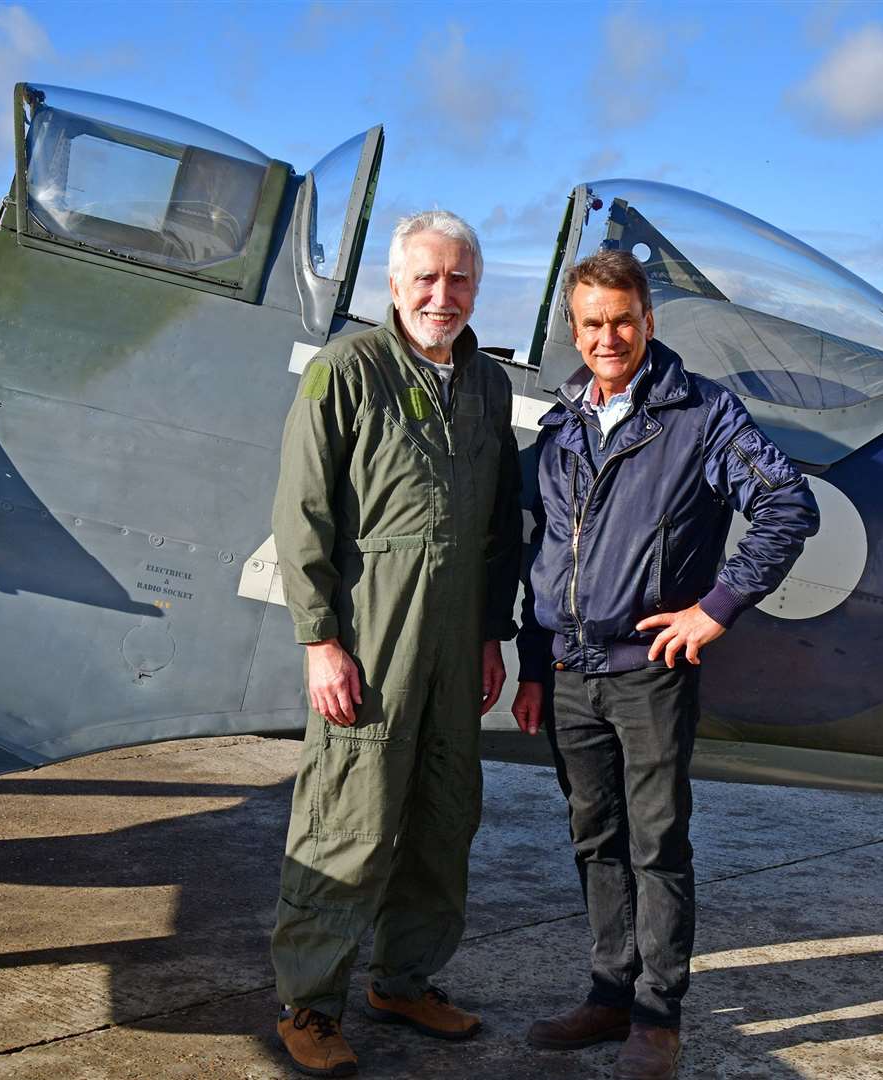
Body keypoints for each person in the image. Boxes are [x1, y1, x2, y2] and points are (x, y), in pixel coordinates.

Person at [512, 249, 818, 1080]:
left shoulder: (704, 414)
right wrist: (534, 665)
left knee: (656, 841)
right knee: (594, 837)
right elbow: (544, 553)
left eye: (622, 320)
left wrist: (714, 608)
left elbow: (788, 506)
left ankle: (658, 1015)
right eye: (591, 324)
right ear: (573, 332)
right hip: (570, 673)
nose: (607, 337)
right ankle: (608, 995)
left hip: (648, 671)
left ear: (648, 322)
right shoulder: (562, 424)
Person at [269, 210, 520, 1077]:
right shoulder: (347, 371)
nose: (441, 296)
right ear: (395, 284)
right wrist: (320, 640)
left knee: (443, 815)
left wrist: (492, 632)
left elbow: (498, 528)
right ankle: (309, 1002)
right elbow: (302, 515)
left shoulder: (487, 385)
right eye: (426, 278)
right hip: (373, 632)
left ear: (475, 288)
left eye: (458, 280)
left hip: (457, 640)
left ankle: (404, 979)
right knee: (350, 814)